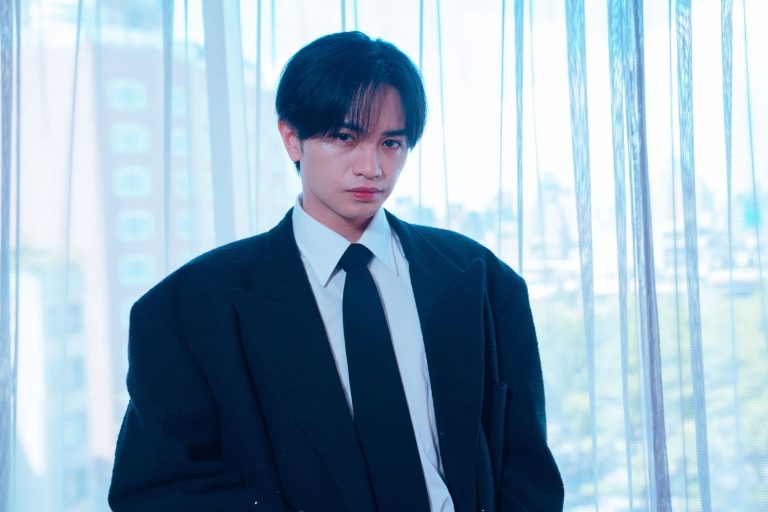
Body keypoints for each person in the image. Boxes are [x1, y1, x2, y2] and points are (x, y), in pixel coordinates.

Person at [108, 31, 563, 512]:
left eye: (391, 142)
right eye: (345, 137)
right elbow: (158, 492)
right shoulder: (187, 310)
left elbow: (528, 471)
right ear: (292, 138)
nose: (372, 167)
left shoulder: (486, 280)